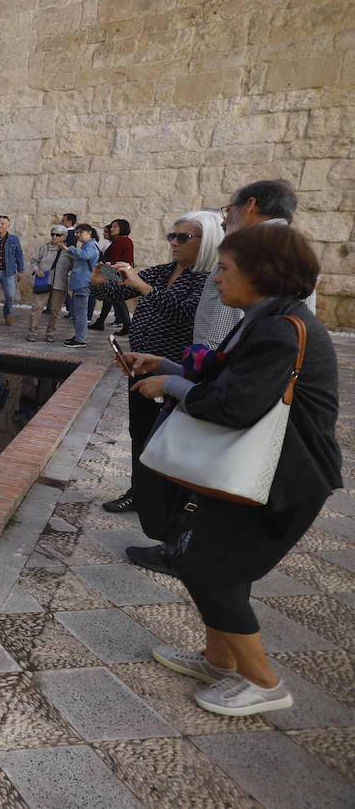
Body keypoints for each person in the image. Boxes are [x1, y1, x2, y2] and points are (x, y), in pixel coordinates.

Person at [125, 224, 339, 717]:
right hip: (255, 473)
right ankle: (220, 661)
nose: (216, 280)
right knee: (212, 563)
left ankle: (264, 682)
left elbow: (233, 405)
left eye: (224, 270)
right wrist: (166, 366)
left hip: (283, 478)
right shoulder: (264, 319)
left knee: (212, 572)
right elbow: (223, 374)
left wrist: (169, 388)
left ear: (262, 274)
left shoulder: (282, 329)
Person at [91, 210, 220, 515]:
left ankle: (171, 500)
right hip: (139, 366)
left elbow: (186, 311)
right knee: (141, 430)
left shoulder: (209, 280)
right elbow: (118, 287)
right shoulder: (162, 271)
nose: (174, 243)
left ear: (208, 240)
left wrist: (141, 286)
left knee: (170, 437)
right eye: (172, 236)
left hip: (174, 369)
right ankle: (139, 492)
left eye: (183, 237)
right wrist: (99, 279)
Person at [194, 180, 315, 350]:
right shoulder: (291, 246)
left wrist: (204, 367)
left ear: (250, 205)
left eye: (228, 211)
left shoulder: (251, 248)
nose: (224, 222)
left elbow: (224, 329)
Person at [26, 224, 73, 341]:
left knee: (55, 310)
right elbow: (33, 261)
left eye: (58, 235)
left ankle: (50, 333)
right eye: (52, 234)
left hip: (60, 284)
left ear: (64, 237)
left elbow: (75, 267)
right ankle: (32, 332)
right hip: (43, 282)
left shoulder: (69, 251)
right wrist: (37, 270)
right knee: (37, 307)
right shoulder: (44, 248)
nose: (54, 237)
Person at [89, 219, 135, 334]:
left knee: (117, 299)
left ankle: (127, 325)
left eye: (115, 227)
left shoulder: (120, 241)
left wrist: (105, 275)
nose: (111, 229)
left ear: (122, 228)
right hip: (118, 274)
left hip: (116, 274)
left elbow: (113, 261)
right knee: (110, 299)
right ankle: (101, 322)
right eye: (112, 226)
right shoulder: (126, 240)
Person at [61, 223, 102, 348]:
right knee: (78, 312)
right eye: (76, 233)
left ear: (89, 232)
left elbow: (86, 255)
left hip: (83, 284)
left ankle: (80, 339)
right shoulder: (87, 245)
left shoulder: (90, 245)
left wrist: (70, 249)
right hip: (81, 283)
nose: (78, 235)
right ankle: (79, 336)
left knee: (80, 313)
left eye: (80, 232)